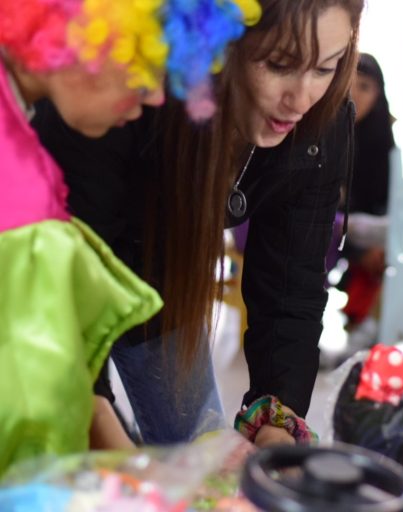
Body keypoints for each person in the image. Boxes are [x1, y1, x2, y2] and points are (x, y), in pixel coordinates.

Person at [34, 0, 364, 448]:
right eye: (279, 64)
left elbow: (292, 283)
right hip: (43, 284)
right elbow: (57, 294)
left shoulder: (319, 125)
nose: (302, 98)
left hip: (162, 279)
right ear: (217, 45)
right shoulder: (125, 92)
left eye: (326, 67)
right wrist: (105, 437)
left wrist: (277, 421)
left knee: (199, 456)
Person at [0, 0, 172, 473]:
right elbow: (32, 431)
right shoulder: (21, 198)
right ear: (76, 32)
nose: (156, 96)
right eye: (142, 63)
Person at [337, 53, 394, 337]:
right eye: (349, 84)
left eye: (365, 87)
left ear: (379, 92)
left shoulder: (384, 139)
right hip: (332, 231)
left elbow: (388, 202)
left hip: (370, 232)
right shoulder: (324, 132)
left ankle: (363, 332)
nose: (355, 95)